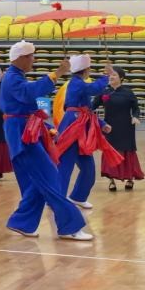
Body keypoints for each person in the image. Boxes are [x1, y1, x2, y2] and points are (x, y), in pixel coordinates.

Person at [0, 41, 90, 241]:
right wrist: (56, 73)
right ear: (20, 58)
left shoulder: (15, 77)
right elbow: (28, 93)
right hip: (23, 137)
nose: (34, 60)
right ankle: (70, 226)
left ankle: (22, 222)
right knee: (50, 177)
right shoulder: (12, 78)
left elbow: (30, 104)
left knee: (38, 181)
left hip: (25, 133)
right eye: (31, 56)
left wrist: (47, 128)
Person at [56, 54, 113, 209]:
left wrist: (101, 123)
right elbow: (93, 89)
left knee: (88, 169)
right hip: (72, 127)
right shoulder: (75, 83)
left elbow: (87, 110)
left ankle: (78, 196)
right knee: (65, 166)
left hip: (83, 128)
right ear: (86, 69)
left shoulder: (79, 83)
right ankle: (56, 198)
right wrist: (106, 76)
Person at [97, 66, 142, 191]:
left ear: (121, 78)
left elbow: (136, 108)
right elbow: (92, 105)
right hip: (109, 127)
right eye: (110, 75)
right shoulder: (104, 92)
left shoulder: (128, 92)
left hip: (126, 127)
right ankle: (111, 180)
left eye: (114, 75)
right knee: (110, 151)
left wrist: (135, 116)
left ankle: (130, 179)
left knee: (127, 151)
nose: (111, 77)